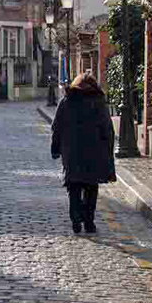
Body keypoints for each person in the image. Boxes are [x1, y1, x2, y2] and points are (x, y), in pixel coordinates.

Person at [50, 72, 116, 234]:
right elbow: (108, 130)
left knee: (73, 186)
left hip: (71, 153)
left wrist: (55, 148)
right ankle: (89, 221)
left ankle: (75, 219)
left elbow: (56, 127)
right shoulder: (99, 103)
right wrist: (108, 152)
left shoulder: (66, 101)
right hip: (94, 152)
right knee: (91, 187)